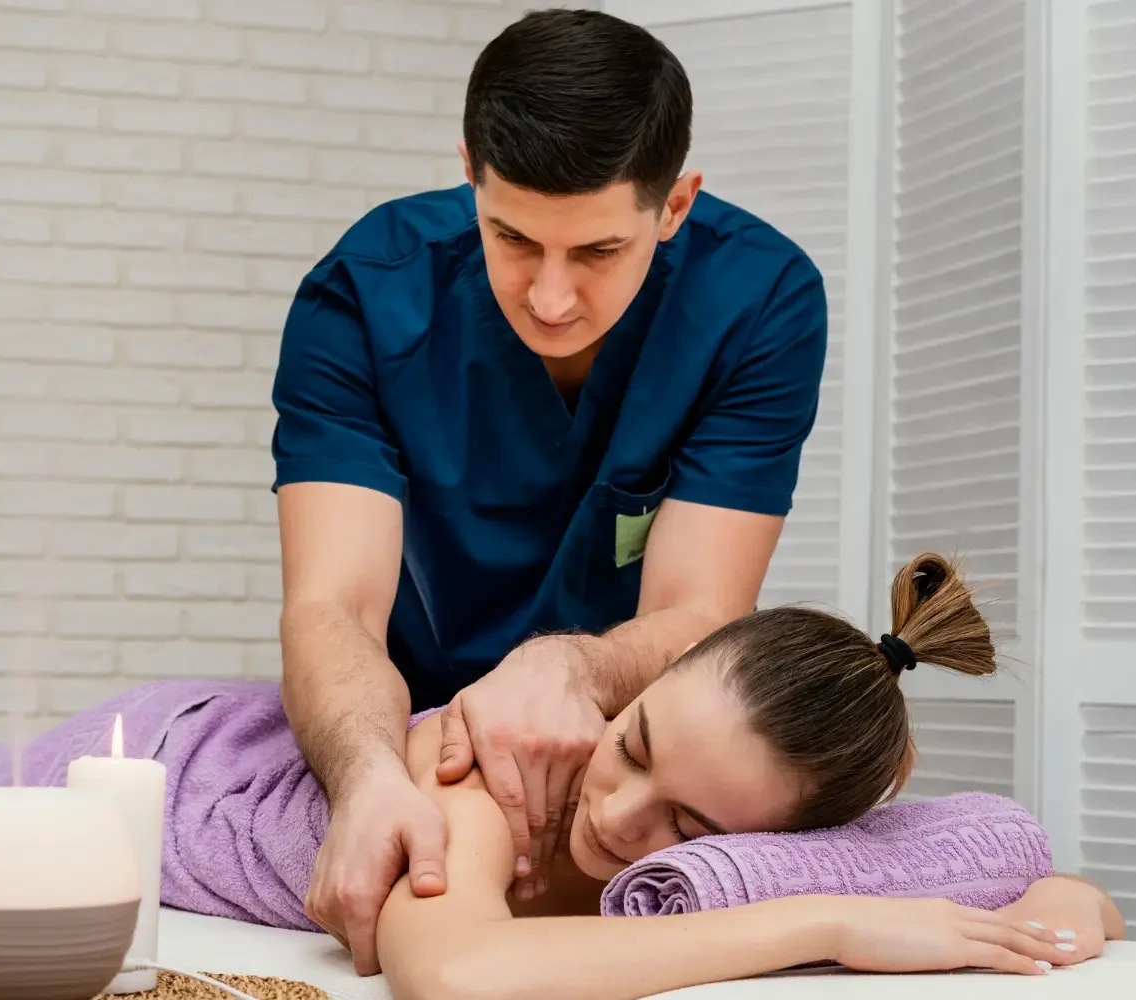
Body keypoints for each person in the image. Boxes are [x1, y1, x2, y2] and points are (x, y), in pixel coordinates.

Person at [0, 554, 1124, 998]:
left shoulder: (781, 839)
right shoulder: (501, 779)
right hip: (175, 764)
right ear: (634, 689)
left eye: (685, 820)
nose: (612, 808)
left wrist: (1058, 907)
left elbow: (1037, 885)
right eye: (634, 743)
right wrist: (826, 921)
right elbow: (461, 974)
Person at [270, 8, 829, 972]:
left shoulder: (758, 302)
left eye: (599, 252)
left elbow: (700, 610)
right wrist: (365, 777)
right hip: (411, 733)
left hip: (618, 753)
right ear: (470, 175)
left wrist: (572, 669)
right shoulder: (365, 291)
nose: (550, 298)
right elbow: (335, 607)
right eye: (512, 237)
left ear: (676, 205)